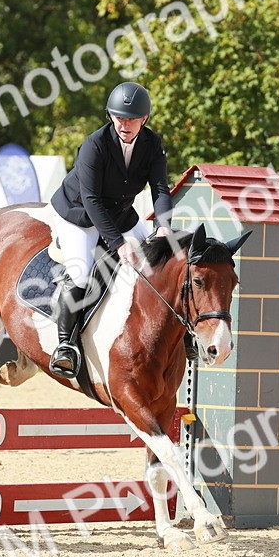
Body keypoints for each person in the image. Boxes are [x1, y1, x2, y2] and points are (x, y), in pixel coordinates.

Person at [48, 81, 173, 378]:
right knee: (80, 273)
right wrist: (118, 243)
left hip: (120, 213)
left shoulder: (152, 145)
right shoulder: (95, 145)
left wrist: (164, 226)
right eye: (118, 117)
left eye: (130, 119)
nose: (124, 124)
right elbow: (91, 200)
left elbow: (160, 188)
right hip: (79, 215)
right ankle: (65, 346)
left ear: (144, 119)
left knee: (161, 261)